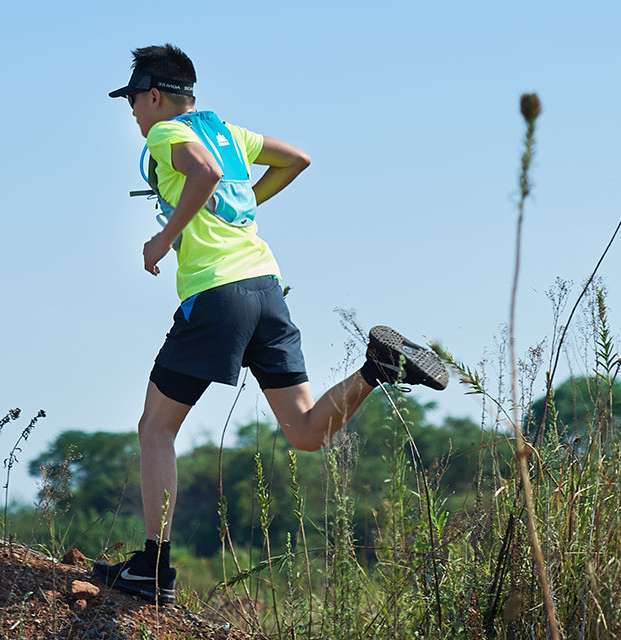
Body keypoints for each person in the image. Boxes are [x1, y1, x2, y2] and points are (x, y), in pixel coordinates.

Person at [94, 44, 448, 604]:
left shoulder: (165, 134)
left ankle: (153, 568)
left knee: (155, 428)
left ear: (155, 95)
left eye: (133, 99)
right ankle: (377, 369)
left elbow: (205, 173)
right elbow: (297, 159)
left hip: (217, 294)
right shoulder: (226, 132)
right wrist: (245, 207)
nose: (132, 110)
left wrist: (164, 238)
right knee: (305, 432)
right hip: (264, 287)